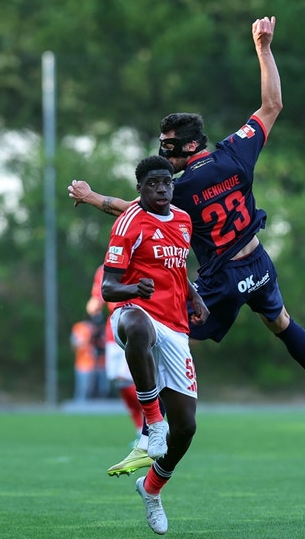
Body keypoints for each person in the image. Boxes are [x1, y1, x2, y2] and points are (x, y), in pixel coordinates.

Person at [68, 16, 305, 410]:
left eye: (168, 147)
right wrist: (263, 49)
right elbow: (272, 104)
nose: (163, 155)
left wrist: (92, 197)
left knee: (164, 332)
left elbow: (132, 211)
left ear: (189, 147)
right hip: (258, 262)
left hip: (222, 278)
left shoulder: (182, 189)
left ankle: (151, 423)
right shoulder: (236, 151)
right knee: (280, 322)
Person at [101, 154, 208, 534]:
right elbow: (108, 286)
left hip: (176, 325)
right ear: (140, 189)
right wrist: (134, 289)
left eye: (167, 182)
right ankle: (151, 421)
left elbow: (176, 270)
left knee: (188, 427)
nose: (162, 189)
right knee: (136, 325)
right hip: (135, 311)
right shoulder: (129, 222)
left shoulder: (182, 219)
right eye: (153, 184)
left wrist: (194, 296)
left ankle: (151, 490)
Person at [87, 264, 157, 476]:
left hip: (136, 326)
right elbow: (97, 297)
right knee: (122, 382)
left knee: (135, 379)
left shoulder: (142, 263)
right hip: (114, 329)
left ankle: (153, 426)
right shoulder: (103, 269)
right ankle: (143, 428)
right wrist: (94, 304)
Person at [70, 319, 97, 402]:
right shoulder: (79, 330)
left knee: (90, 387)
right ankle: (79, 403)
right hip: (81, 365)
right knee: (82, 386)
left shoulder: (91, 342)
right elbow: (74, 345)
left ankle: (86, 404)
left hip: (90, 365)